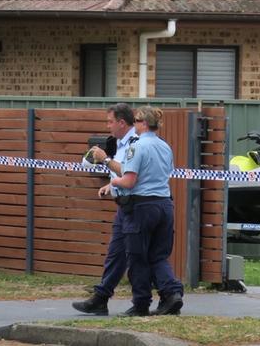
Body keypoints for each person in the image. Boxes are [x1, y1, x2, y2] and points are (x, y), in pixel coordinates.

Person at [111, 106, 184, 316]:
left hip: (142, 207)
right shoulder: (165, 146)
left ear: (142, 123)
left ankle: (141, 303)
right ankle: (172, 294)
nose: (133, 125)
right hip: (164, 205)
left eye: (135, 121)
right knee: (159, 256)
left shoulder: (137, 146)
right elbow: (166, 173)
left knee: (137, 257)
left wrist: (114, 181)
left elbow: (129, 180)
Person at [72, 103, 137, 315]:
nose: (107, 125)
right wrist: (112, 184)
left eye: (110, 121)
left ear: (121, 122)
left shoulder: (136, 143)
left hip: (137, 204)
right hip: (124, 202)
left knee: (142, 255)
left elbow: (131, 171)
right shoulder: (118, 142)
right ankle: (101, 297)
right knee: (116, 254)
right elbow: (124, 173)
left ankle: (165, 295)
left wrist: (105, 160)